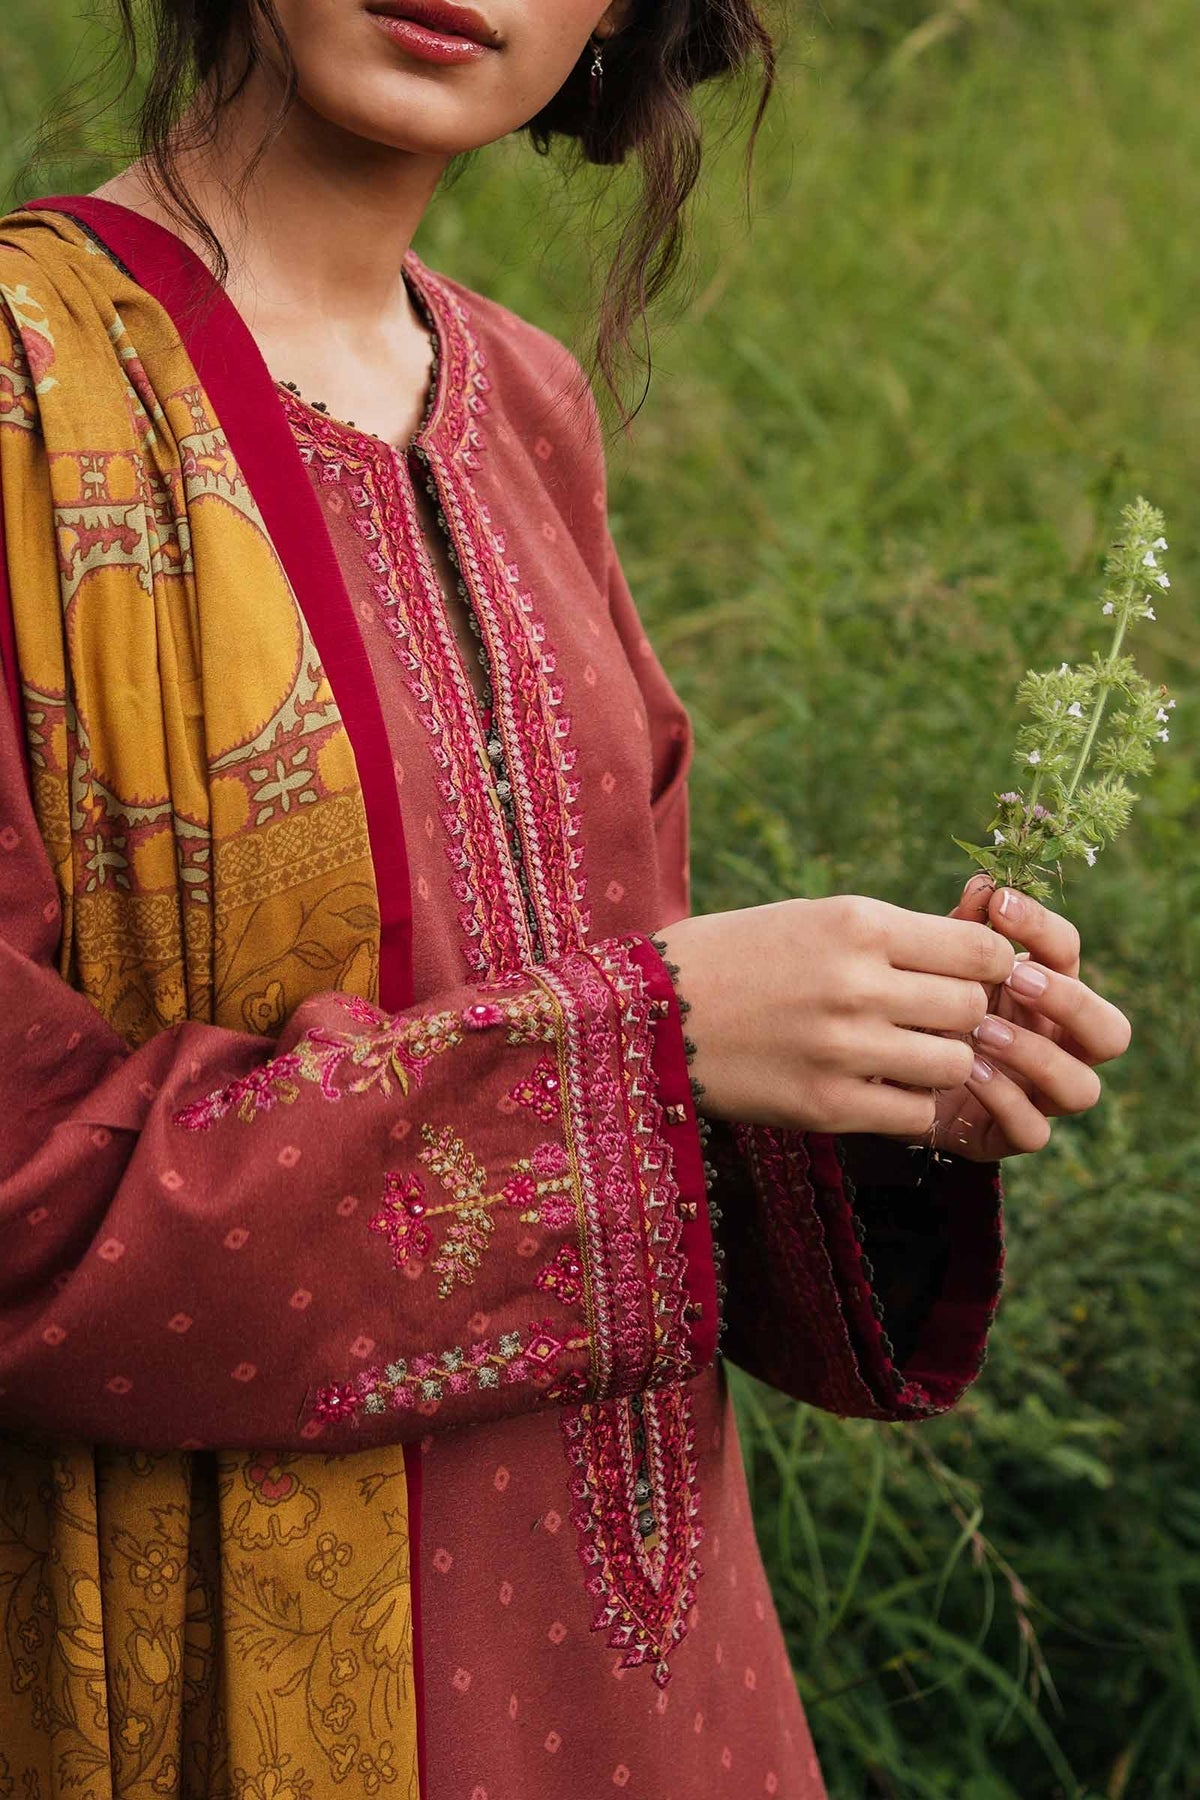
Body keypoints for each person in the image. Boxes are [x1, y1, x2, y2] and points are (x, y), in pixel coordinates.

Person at [0, 3, 1131, 1795]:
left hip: (652, 1681)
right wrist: (650, 1048)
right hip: (224, 1655)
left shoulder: (524, 402)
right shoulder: (23, 390)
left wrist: (875, 1072)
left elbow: (631, 1044)